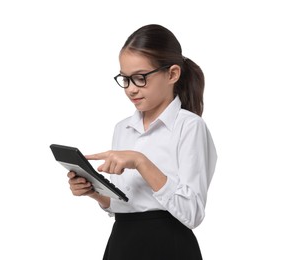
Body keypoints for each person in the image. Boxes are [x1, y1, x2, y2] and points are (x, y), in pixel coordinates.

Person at [67, 24, 217, 260]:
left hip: (169, 246)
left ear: (172, 74)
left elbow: (193, 214)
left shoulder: (189, 127)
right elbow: (126, 203)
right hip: (122, 241)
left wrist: (141, 162)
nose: (131, 89)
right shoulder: (122, 128)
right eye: (125, 79)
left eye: (140, 78)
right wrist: (95, 193)